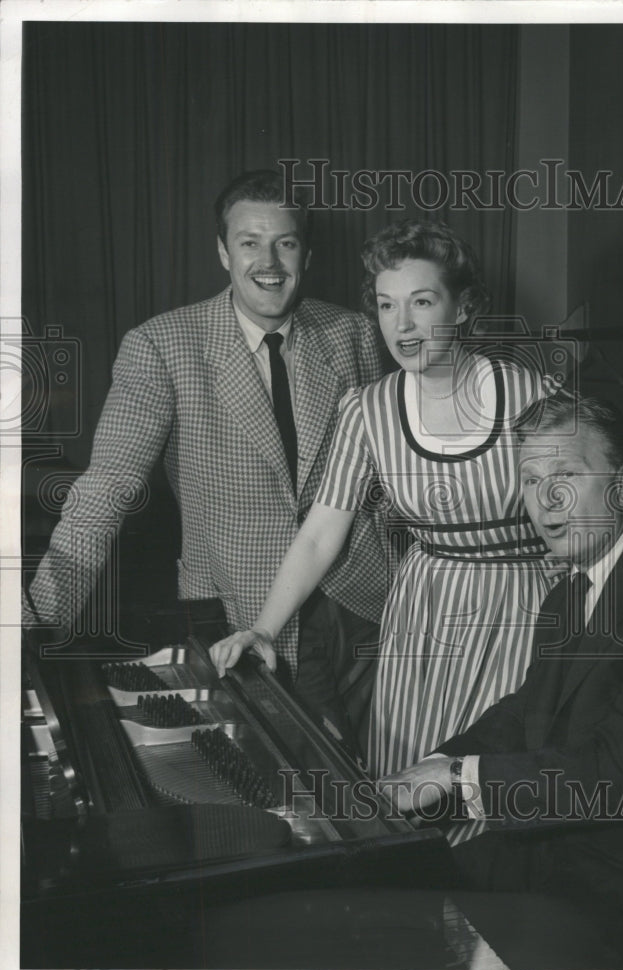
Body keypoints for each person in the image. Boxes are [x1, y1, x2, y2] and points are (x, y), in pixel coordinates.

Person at [382, 394, 623, 968]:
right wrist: (430, 768)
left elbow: (616, 774)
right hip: (563, 849)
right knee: (382, 893)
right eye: (531, 480)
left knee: (422, 944)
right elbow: (529, 708)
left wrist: (459, 777)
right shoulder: (568, 590)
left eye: (567, 474)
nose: (545, 499)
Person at [22, 168, 388, 746]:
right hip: (237, 609)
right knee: (288, 788)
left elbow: (387, 479)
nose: (269, 261)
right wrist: (34, 624)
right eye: (249, 242)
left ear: (307, 254)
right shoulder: (162, 346)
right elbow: (105, 492)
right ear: (223, 252)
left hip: (362, 601)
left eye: (285, 243)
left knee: (376, 770)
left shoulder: (354, 334)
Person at [211, 219, 555, 789]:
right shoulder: (367, 410)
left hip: (523, 609)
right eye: (387, 305)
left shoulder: (532, 397)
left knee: (491, 778)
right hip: (422, 616)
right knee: (404, 783)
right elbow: (323, 531)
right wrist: (265, 630)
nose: (403, 325)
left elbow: (592, 524)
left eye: (422, 302)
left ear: (464, 306)